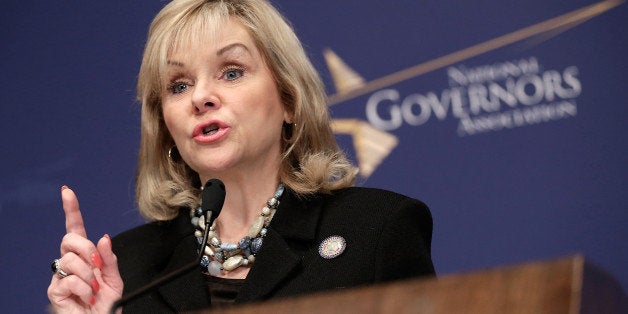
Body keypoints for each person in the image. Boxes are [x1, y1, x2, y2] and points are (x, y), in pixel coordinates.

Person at [47, 0, 436, 312]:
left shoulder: (377, 231)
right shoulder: (126, 269)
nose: (200, 97)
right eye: (179, 85)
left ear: (288, 99)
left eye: (231, 72)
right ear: (165, 125)